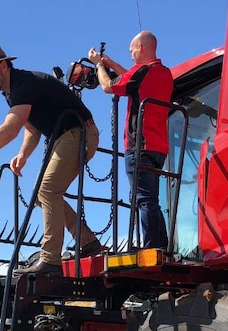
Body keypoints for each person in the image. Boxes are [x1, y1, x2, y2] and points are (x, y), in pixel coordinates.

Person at [0, 40, 105, 276]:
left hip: (79, 133)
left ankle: (50, 261)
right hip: (64, 136)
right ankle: (89, 242)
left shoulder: (24, 84)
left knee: (47, 190)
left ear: (3, 65)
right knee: (41, 195)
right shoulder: (12, 94)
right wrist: (23, 155)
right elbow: (31, 127)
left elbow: (11, 127)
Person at [88, 31, 173, 249]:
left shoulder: (143, 71)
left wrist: (99, 66)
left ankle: (152, 247)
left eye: (132, 50)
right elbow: (132, 79)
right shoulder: (163, 73)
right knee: (151, 199)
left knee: (144, 200)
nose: (131, 55)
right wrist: (110, 62)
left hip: (139, 145)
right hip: (158, 147)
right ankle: (161, 245)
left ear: (141, 47)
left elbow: (109, 87)